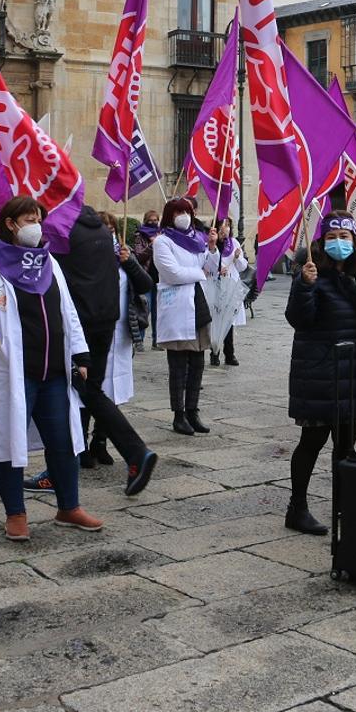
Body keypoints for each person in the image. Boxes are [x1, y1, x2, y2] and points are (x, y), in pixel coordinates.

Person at [0, 196, 103, 541]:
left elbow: (67, 311)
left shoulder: (48, 262)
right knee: (8, 440)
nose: (36, 225)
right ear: (11, 224)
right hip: (12, 373)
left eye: (38, 218)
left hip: (53, 371)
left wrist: (81, 355)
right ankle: (16, 513)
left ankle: (69, 506)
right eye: (29, 219)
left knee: (65, 441)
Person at [44, 205, 158, 496]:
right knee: (89, 390)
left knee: (64, 394)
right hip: (104, 320)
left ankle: (58, 470)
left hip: (76, 324)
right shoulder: (99, 229)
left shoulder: (61, 229)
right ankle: (135, 453)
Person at [283, 212, 356, 535]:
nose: (339, 243)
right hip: (320, 373)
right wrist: (303, 286)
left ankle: (344, 505)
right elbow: (299, 318)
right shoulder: (313, 274)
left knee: (346, 446)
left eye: (345, 238)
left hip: (351, 373)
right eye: (332, 237)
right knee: (312, 441)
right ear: (322, 242)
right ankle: (297, 508)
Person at [153, 197, 220, 436]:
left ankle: (193, 410)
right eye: (179, 212)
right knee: (178, 365)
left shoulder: (197, 239)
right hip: (177, 307)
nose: (184, 216)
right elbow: (172, 273)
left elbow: (211, 268)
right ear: (170, 215)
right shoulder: (162, 241)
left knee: (198, 362)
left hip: (197, 305)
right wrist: (198, 274)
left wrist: (212, 246)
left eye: (188, 211)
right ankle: (178, 414)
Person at [210, 216, 249, 367]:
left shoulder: (234, 243)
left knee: (229, 322)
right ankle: (214, 353)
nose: (225, 228)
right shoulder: (212, 243)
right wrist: (218, 269)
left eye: (228, 225)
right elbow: (207, 261)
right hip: (217, 286)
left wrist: (238, 258)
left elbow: (242, 266)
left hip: (231, 286)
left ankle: (229, 354)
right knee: (216, 322)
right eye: (222, 225)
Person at [132, 209, 161, 349]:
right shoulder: (140, 236)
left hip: (160, 277)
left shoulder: (161, 234)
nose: (154, 222)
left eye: (156, 220)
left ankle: (157, 340)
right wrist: (151, 245)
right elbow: (138, 256)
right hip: (146, 277)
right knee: (145, 308)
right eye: (151, 220)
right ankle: (140, 340)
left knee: (158, 311)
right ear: (146, 220)